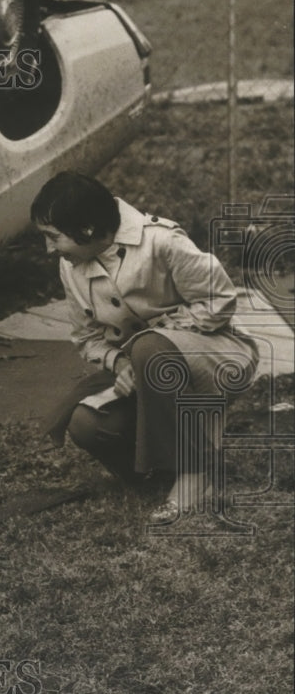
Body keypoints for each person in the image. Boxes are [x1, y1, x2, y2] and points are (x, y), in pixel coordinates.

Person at [31, 172, 259, 521]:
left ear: (88, 230)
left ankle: (196, 472)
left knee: (151, 350)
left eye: (53, 237)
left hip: (217, 353)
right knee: (86, 423)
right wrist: (121, 364)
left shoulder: (161, 242)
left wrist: (149, 345)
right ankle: (154, 474)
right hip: (145, 367)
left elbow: (219, 300)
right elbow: (87, 337)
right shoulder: (70, 266)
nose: (49, 249)